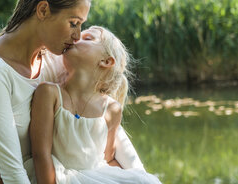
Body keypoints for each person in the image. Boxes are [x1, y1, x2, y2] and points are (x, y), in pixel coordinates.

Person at [0, 0, 144, 184]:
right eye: (73, 23)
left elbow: (103, 126)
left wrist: (140, 176)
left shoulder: (56, 57)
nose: (77, 36)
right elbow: (13, 174)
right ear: (43, 11)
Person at [27, 26, 161, 184]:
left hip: (97, 175)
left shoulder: (111, 109)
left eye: (87, 38)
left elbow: (107, 156)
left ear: (106, 61)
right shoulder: (49, 93)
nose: (76, 38)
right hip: (59, 176)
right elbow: (40, 154)